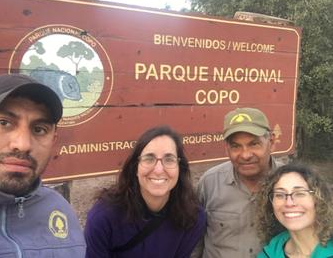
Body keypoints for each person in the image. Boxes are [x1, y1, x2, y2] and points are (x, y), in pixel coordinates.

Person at [0, 74, 86, 257]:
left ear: (53, 139)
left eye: (39, 129)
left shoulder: (60, 209)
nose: (23, 144)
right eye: (4, 123)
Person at [85, 125, 206, 258]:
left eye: (169, 159)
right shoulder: (104, 218)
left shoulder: (192, 218)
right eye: (149, 159)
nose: (159, 170)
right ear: (135, 168)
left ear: (179, 168)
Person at [193, 107, 282, 258]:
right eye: (236, 146)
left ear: (271, 141)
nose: (245, 155)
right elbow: (195, 239)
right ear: (226, 148)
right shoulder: (210, 183)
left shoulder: (291, 184)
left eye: (254, 144)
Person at [256, 163, 333, 258]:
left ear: (320, 199)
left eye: (300, 193)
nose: (289, 203)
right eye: (280, 195)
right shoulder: (270, 252)